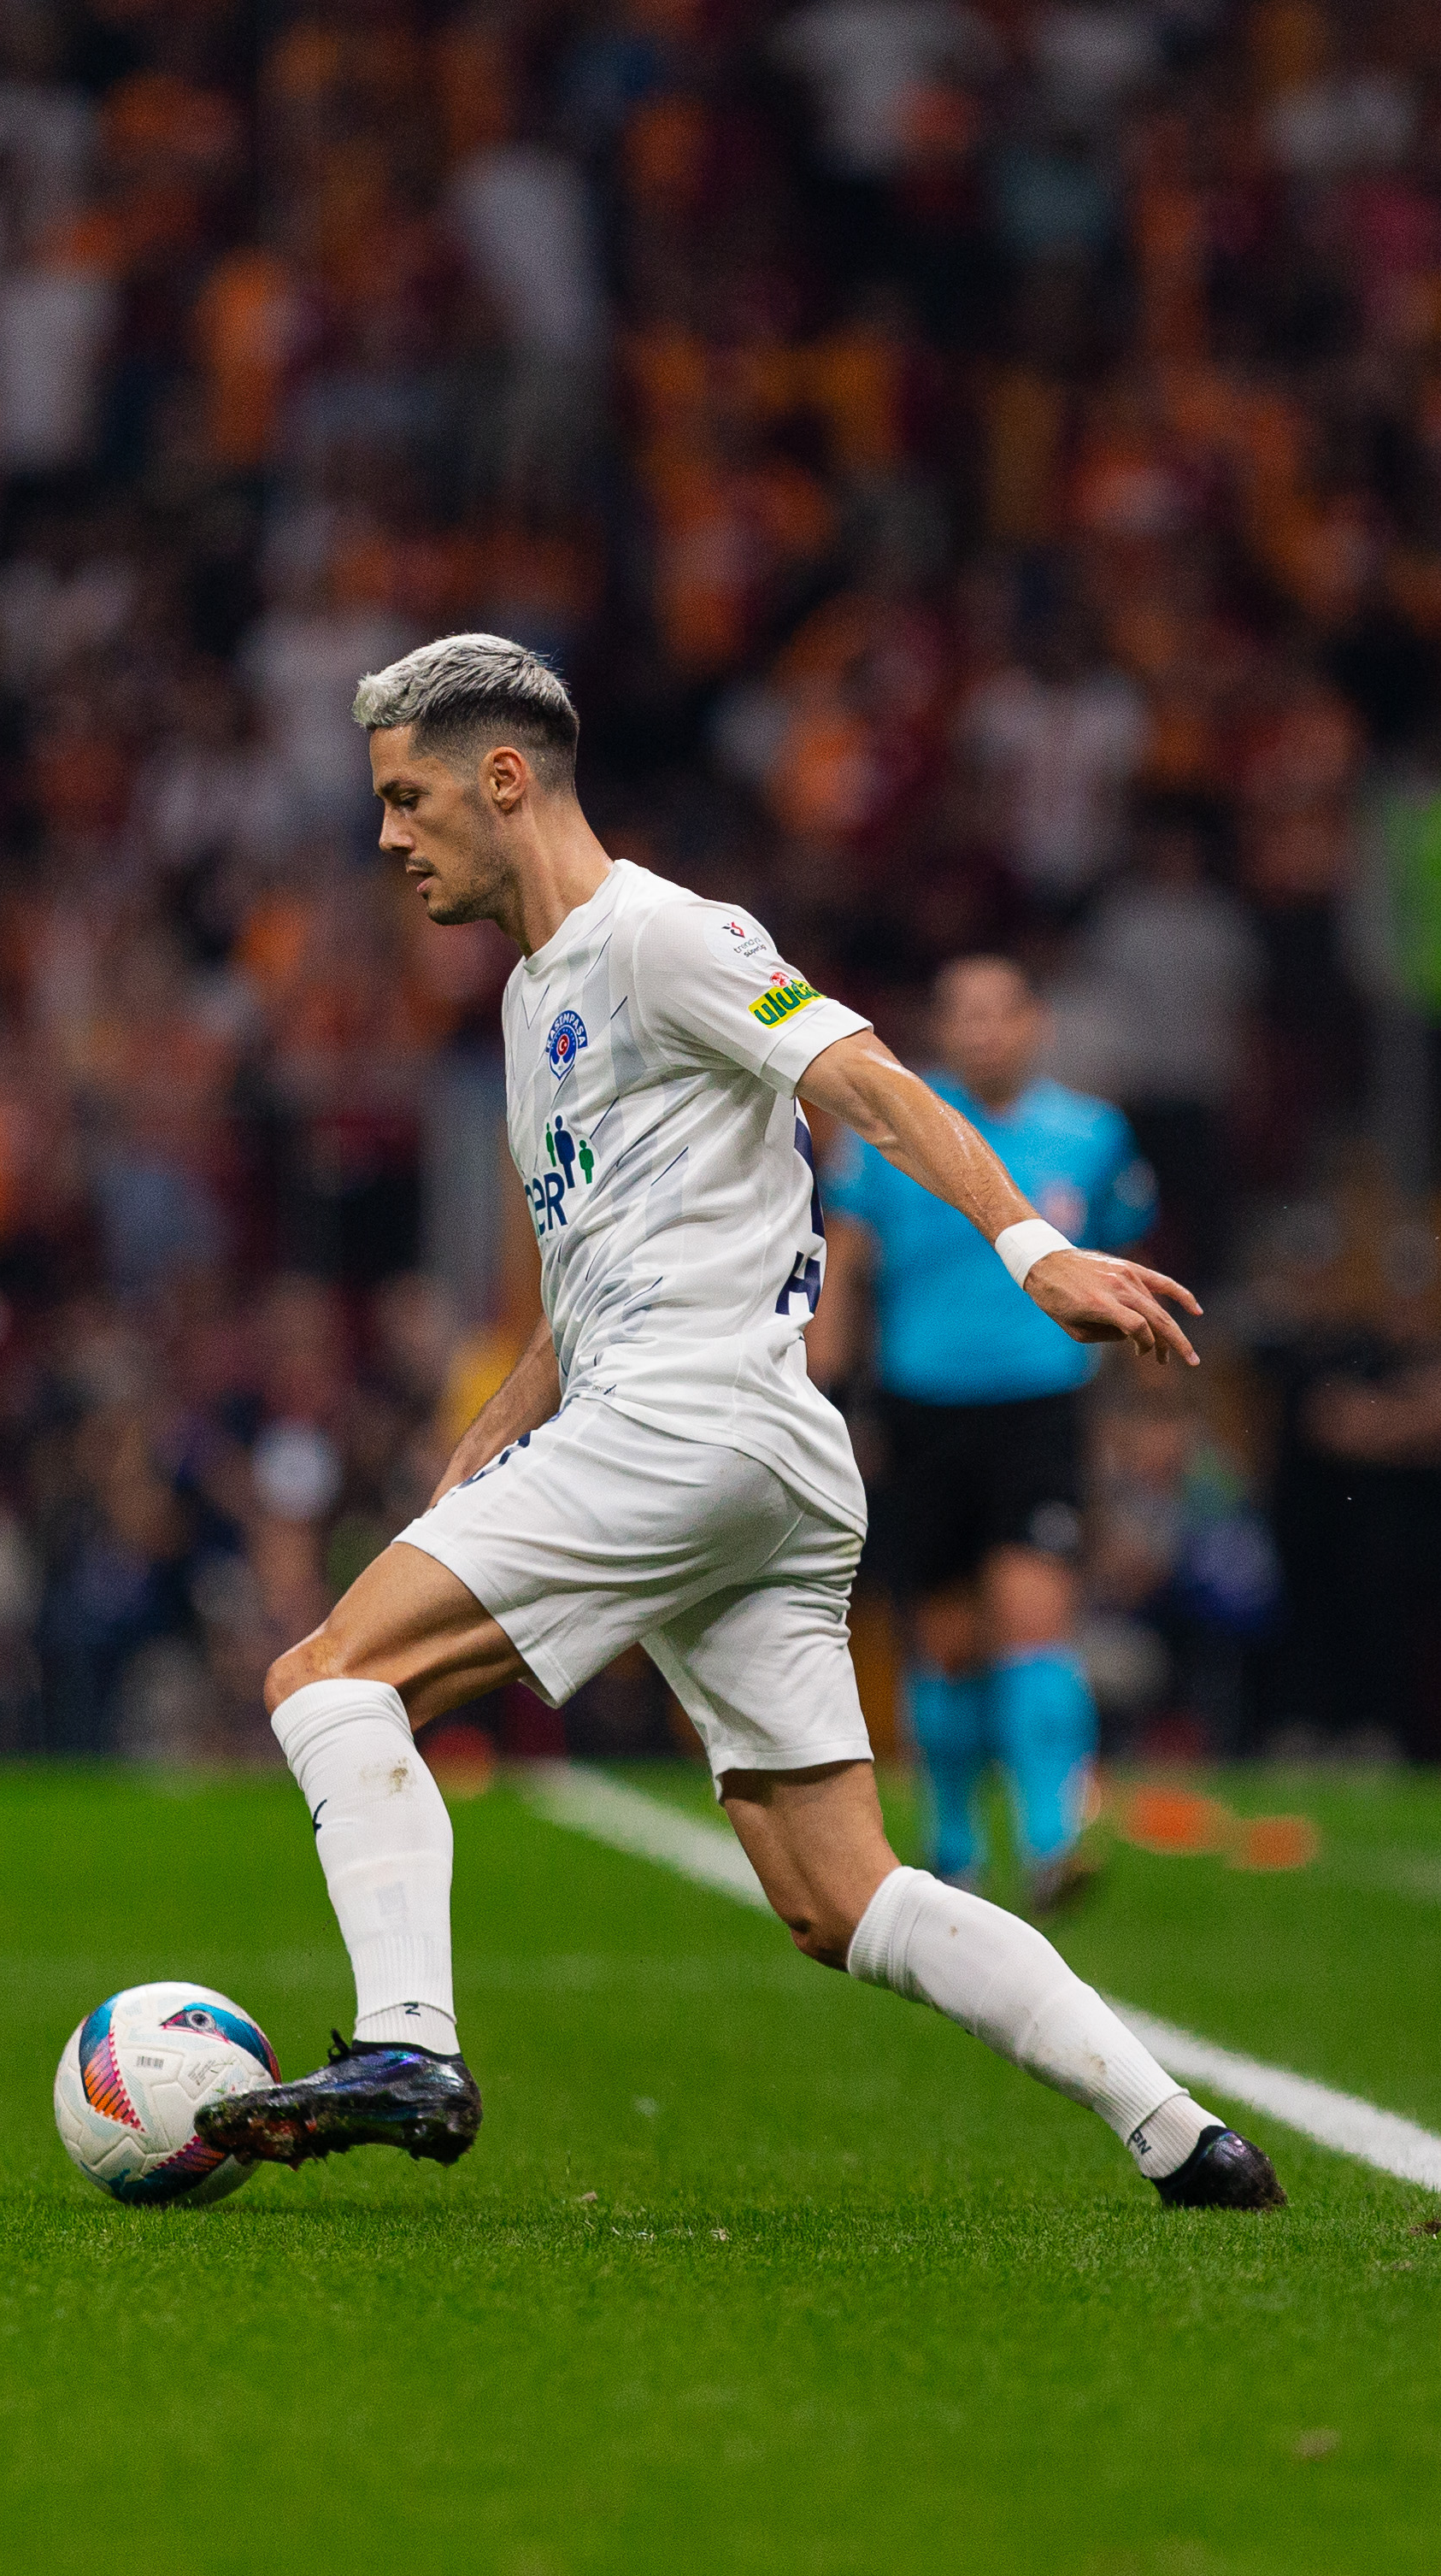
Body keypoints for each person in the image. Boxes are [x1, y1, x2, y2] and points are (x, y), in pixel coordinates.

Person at [197, 632, 1283, 2212]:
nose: (385, 836)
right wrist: (494, 1429)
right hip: (746, 1453)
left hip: (688, 1421)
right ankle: (1181, 2134)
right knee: (839, 1895)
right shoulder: (531, 999)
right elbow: (591, 1271)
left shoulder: (665, 935)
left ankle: (409, 2043)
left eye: (406, 798)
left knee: (328, 1676)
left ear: (502, 780)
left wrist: (1028, 1246)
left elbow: (871, 1078)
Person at [811, 956, 1155, 1909]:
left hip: (1039, 1407)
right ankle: (954, 1846)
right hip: (920, 1408)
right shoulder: (893, 1127)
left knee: (1032, 1615)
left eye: (999, 1012)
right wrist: (825, 1396)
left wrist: (1142, 1406)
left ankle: (1052, 1840)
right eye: (963, 1013)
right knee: (948, 1640)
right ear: (940, 1026)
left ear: (1035, 1022)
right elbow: (847, 1263)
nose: (982, 1030)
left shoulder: (1091, 1135)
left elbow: (1120, 1262)